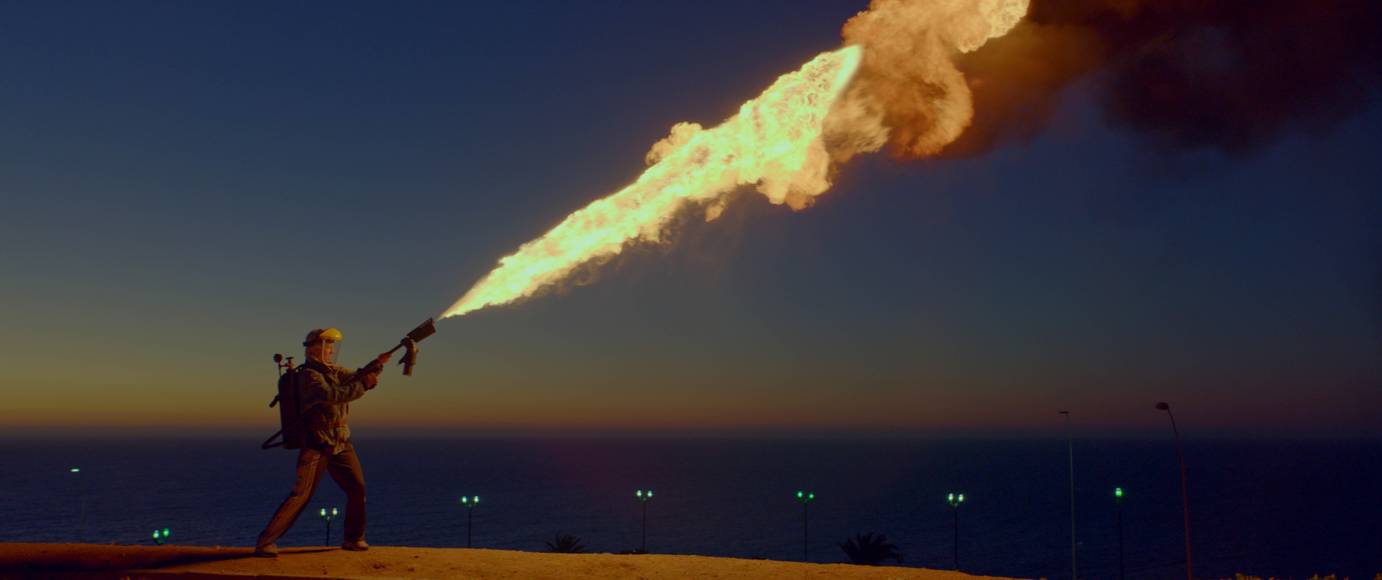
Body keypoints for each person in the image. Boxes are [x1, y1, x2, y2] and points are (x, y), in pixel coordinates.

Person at [254, 327, 390, 558]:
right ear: (315, 349)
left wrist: (377, 364)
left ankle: (353, 538)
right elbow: (333, 395)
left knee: (357, 488)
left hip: (340, 442)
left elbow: (356, 377)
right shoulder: (310, 376)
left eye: (332, 346)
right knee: (301, 494)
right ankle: (265, 542)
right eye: (327, 346)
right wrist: (364, 385)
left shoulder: (333, 371)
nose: (331, 351)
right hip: (318, 442)